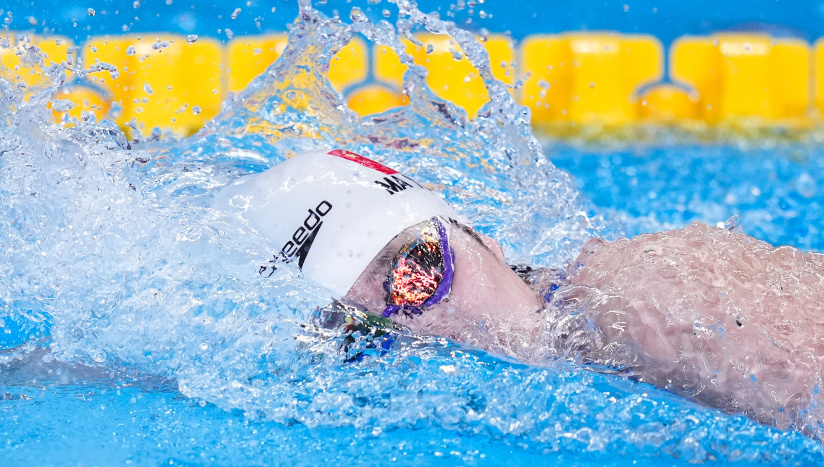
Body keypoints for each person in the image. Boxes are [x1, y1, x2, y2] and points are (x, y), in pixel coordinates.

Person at [222, 149, 824, 437]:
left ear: (480, 237)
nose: (418, 326)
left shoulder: (645, 296)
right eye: (362, 334)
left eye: (415, 271)